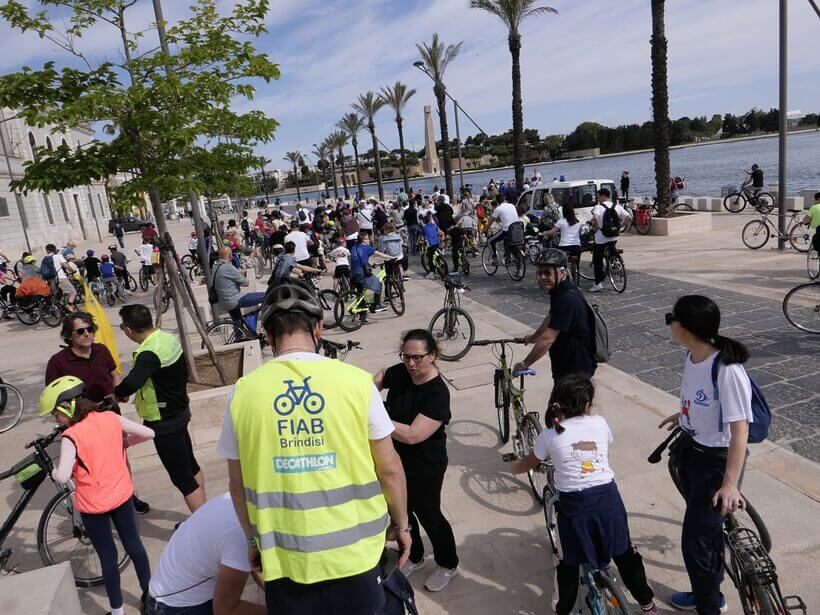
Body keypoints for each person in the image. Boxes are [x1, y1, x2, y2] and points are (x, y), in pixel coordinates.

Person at [217, 281, 411, 615]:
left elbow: (237, 484)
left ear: (266, 333)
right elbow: (390, 468)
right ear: (319, 327)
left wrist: (252, 541)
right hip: (357, 557)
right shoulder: (357, 382)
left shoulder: (242, 393)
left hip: (285, 562)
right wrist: (402, 524)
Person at [507, 374, 658, 615]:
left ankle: (563, 610)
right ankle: (648, 606)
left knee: (567, 564)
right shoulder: (599, 423)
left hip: (576, 508)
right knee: (625, 554)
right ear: (588, 405)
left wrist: (514, 467)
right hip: (608, 500)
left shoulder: (549, 435)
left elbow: (529, 462)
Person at [659, 295, 753, 613]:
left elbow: (740, 431)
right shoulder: (692, 355)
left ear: (685, 328)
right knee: (706, 531)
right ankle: (711, 590)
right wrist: (682, 416)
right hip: (690, 451)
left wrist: (730, 484)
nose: (669, 322)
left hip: (715, 462)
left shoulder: (727, 369)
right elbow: (701, 401)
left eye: (672, 317)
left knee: (694, 544)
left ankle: (708, 606)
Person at [39, 376, 154, 615]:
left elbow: (62, 477)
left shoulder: (71, 437)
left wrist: (52, 470)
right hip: (122, 496)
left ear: (67, 407)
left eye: (55, 414)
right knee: (135, 547)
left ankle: (117, 611)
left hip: (94, 506)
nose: (56, 419)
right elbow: (148, 433)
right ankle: (149, 597)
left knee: (108, 558)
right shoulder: (111, 418)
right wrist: (125, 444)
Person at [374, 330, 459, 592]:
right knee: (402, 511)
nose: (411, 364)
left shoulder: (437, 394)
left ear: (432, 355)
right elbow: (379, 376)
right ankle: (415, 555)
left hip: (425, 465)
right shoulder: (401, 372)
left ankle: (448, 563)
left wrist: (376, 419)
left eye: (418, 358)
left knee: (429, 514)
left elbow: (413, 434)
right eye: (407, 356)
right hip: (395, 460)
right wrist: (371, 395)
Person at [114, 304, 207, 513]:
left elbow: (132, 383)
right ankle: (206, 513)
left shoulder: (148, 352)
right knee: (191, 466)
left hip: (164, 420)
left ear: (128, 330)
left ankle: (205, 526)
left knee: (182, 479)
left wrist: (118, 392)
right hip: (180, 410)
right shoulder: (166, 339)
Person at [144, 493, 265, 615]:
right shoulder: (240, 535)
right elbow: (225, 609)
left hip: (171, 594)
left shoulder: (242, 499)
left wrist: (280, 596)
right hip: (174, 607)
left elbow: (255, 568)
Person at [513, 249, 595, 383]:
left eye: (547, 273)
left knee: (563, 404)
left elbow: (548, 339)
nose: (542, 277)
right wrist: (534, 337)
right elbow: (551, 316)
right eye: (540, 273)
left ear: (561, 273)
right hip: (568, 366)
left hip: (574, 373)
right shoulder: (562, 291)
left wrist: (524, 364)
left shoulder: (566, 298)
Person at [590, 188, 630, 293]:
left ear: (603, 196)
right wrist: (619, 227)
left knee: (597, 259)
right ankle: (615, 262)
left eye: (598, 196)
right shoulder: (617, 206)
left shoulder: (598, 207)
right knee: (612, 249)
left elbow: (595, 217)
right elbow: (629, 217)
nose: (597, 198)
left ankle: (598, 283)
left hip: (601, 238)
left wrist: (596, 227)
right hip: (614, 236)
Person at [213, 246, 266, 323]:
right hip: (234, 299)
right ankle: (262, 323)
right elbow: (245, 283)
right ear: (230, 255)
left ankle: (242, 333)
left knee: (238, 323)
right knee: (267, 295)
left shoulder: (215, 267)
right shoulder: (227, 267)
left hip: (225, 301)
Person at [350, 232, 391, 313]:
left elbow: (358, 259)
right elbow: (379, 254)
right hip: (361, 273)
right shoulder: (367, 247)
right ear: (363, 240)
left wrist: (369, 265)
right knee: (378, 284)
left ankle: (362, 314)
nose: (369, 240)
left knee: (361, 292)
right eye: (367, 238)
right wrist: (392, 257)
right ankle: (377, 305)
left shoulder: (353, 248)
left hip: (352, 273)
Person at [488, 193, 519, 260]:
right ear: (504, 198)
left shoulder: (498, 209)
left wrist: (485, 229)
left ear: (497, 201)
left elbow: (491, 221)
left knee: (490, 240)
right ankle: (508, 257)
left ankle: (494, 258)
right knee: (506, 240)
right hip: (517, 228)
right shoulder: (512, 206)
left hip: (507, 230)